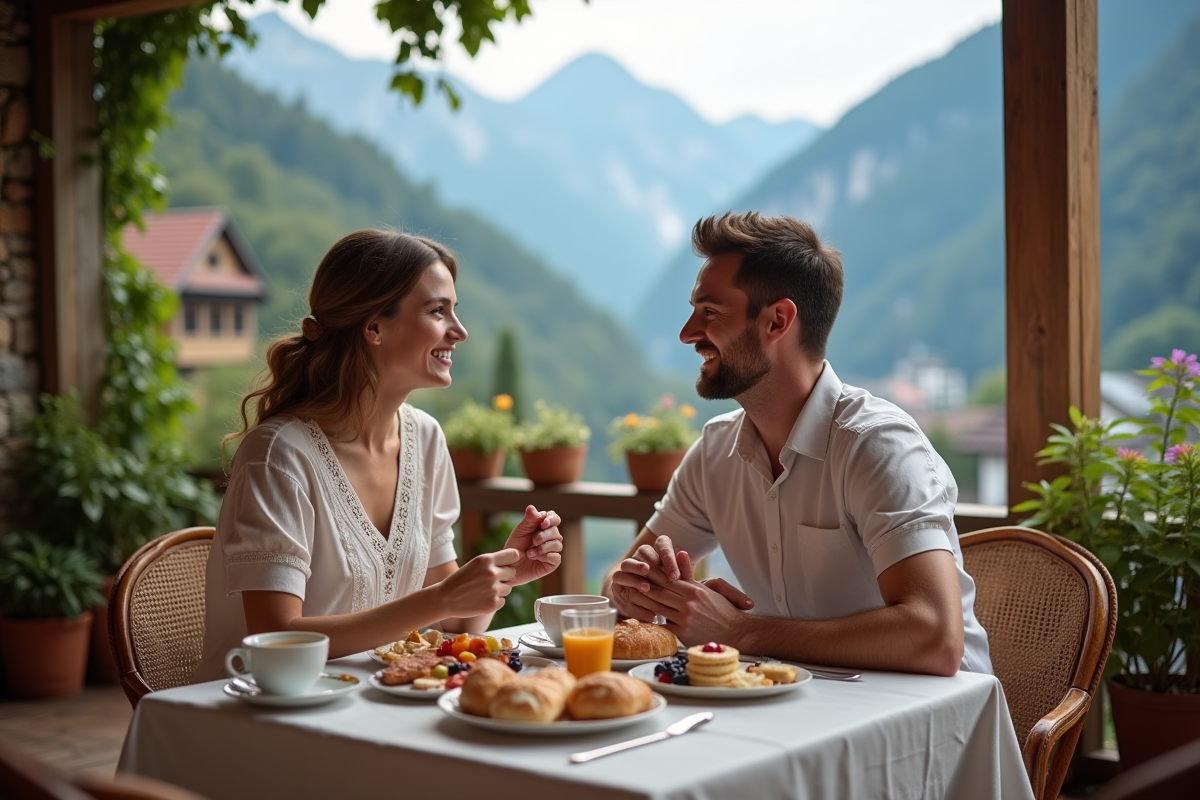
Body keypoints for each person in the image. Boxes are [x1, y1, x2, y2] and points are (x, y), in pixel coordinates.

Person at [603, 213, 991, 676]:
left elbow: (935, 638)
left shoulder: (877, 445)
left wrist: (741, 632)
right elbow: (615, 580)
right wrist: (632, 586)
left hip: (925, 722)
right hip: (797, 709)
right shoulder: (713, 451)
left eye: (710, 312)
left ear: (777, 321)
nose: (688, 333)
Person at [194, 230, 563, 682]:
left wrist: (506, 572)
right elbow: (277, 636)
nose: (459, 331)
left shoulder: (426, 440)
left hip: (372, 703)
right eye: (437, 311)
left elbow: (453, 624)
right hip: (265, 716)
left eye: (455, 311)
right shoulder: (279, 456)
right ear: (374, 328)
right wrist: (439, 599)